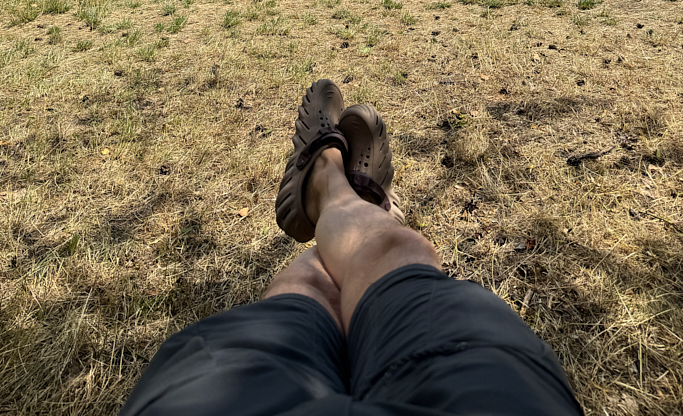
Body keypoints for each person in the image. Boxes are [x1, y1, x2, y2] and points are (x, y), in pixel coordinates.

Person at [120, 79, 583, 416]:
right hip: (486, 395)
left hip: (228, 396)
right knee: (399, 258)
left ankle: (327, 185)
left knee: (312, 287)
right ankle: (362, 210)